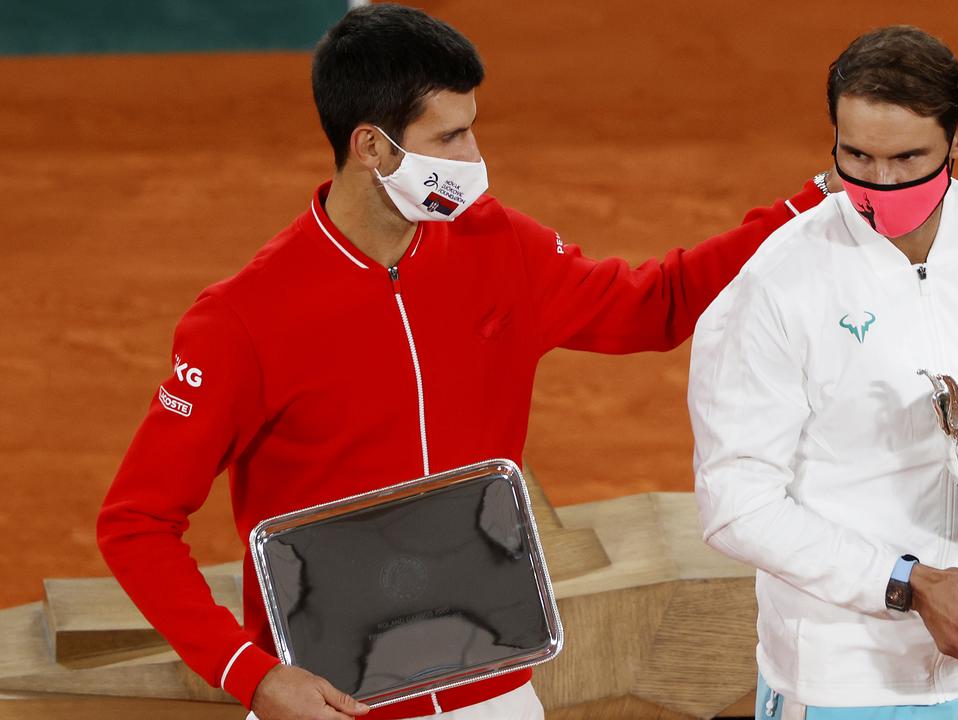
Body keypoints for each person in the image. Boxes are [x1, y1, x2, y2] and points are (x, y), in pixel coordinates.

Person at [96, 5, 827, 720]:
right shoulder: (243, 319)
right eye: (449, 137)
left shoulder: (498, 245)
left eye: (472, 129)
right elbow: (136, 521)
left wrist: (807, 208)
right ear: (372, 148)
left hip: (492, 691)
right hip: (338, 704)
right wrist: (250, 676)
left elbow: (656, 304)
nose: (474, 160)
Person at [688, 25, 958, 720]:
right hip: (847, 683)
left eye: (907, 157)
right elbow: (737, 502)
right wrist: (910, 583)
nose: (880, 184)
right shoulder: (776, 284)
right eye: (856, 156)